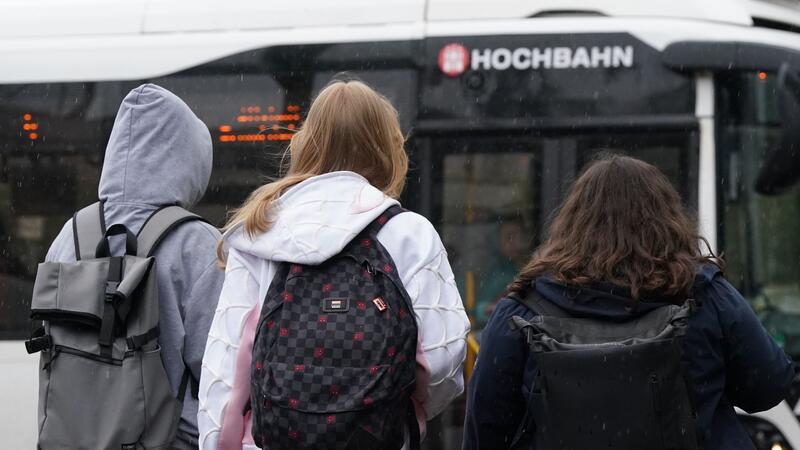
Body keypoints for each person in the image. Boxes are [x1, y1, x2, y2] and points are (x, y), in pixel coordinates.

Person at [198, 79, 470, 450]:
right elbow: (442, 360)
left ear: (308, 142)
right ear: (387, 146)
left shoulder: (261, 233)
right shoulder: (408, 233)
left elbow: (227, 374)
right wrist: (388, 404)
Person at [463, 154, 795, 449]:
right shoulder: (705, 295)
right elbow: (768, 387)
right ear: (666, 218)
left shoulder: (523, 309)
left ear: (571, 223)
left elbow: (485, 427)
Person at [45, 83, 224, 449]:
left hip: (72, 438)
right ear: (189, 159)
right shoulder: (198, 242)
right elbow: (217, 367)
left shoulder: (71, 233)